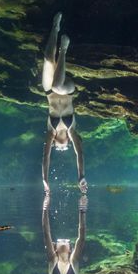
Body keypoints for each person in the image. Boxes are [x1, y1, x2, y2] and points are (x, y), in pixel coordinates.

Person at [42, 13, 88, 194]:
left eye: (58, 149)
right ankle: (64, 49)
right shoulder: (71, 131)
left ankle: (55, 27)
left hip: (49, 92)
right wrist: (81, 176)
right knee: (57, 84)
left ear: (54, 144)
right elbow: (80, 154)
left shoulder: (51, 132)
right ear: (68, 143)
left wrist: (45, 180)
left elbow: (45, 156)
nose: (61, 149)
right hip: (67, 89)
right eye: (65, 148)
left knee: (47, 58)